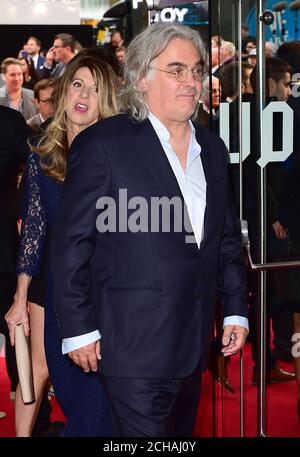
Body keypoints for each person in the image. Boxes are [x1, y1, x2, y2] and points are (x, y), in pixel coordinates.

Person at [52, 22, 249, 437]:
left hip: (193, 346)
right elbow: (71, 243)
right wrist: (77, 329)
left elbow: (225, 239)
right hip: (129, 347)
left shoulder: (211, 149)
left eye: (197, 71)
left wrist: (234, 309)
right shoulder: (106, 143)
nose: (191, 81)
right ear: (142, 77)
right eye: (176, 70)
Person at [5, 49, 119, 436]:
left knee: (100, 392)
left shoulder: (117, 156)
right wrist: (20, 298)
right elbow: (34, 230)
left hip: (102, 290)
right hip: (52, 287)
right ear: (64, 90)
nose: (83, 95)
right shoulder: (41, 154)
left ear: (106, 100)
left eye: (94, 88)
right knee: (46, 371)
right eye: (77, 84)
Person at [0, 106, 31, 420]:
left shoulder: (8, 122)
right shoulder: (9, 122)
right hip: (6, 244)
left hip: (6, 246)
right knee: (16, 325)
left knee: (16, 325)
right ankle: (28, 403)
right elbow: (41, 159)